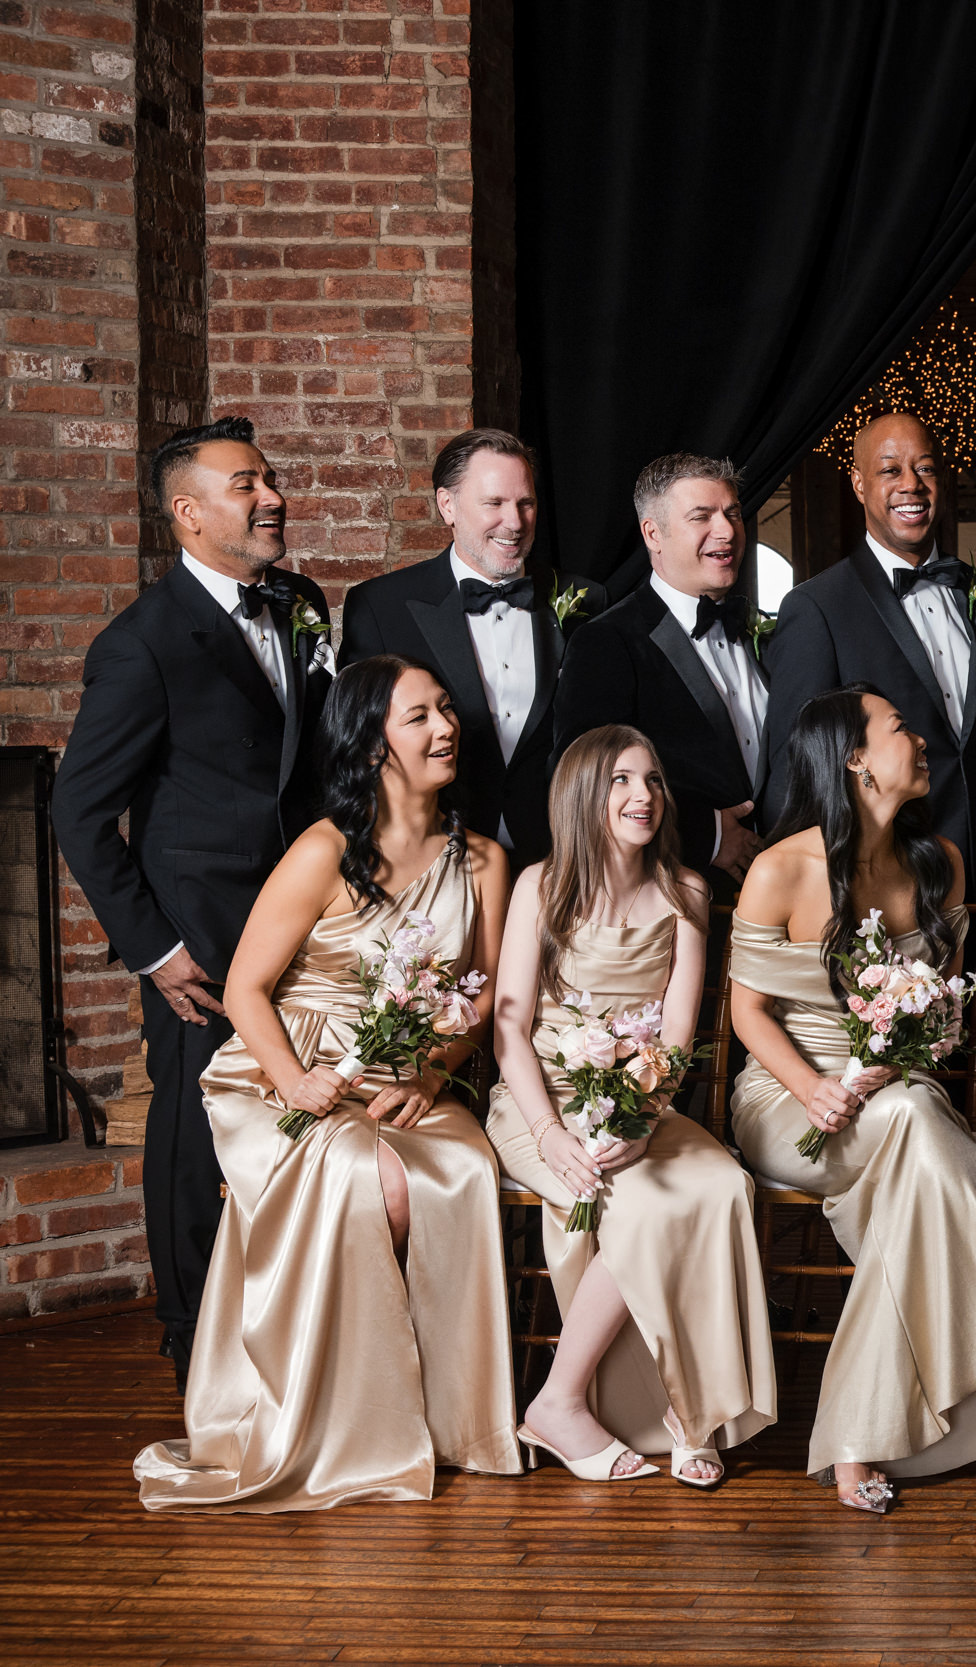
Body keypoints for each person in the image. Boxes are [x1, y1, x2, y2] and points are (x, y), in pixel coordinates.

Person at [730, 686, 976, 1514]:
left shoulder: (938, 863)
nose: (918, 740)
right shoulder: (780, 869)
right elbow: (747, 1012)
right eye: (898, 728)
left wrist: (913, 1049)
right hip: (790, 1098)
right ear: (852, 757)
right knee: (919, 1124)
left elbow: (943, 1013)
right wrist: (814, 1088)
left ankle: (853, 1443)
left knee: (913, 1140)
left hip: (898, 1092)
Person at [134, 655, 519, 1510]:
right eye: (418, 716)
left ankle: (448, 1419)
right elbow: (243, 989)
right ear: (371, 742)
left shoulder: (485, 860)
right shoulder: (324, 849)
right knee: (366, 1177)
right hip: (298, 1068)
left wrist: (431, 1070)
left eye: (446, 710)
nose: (444, 727)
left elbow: (481, 995)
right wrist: (299, 1081)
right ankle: (349, 1422)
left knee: (460, 1173)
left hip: (408, 1076)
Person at [55, 415, 333, 1393]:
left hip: (303, 911)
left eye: (271, 478)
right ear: (190, 512)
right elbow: (80, 813)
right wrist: (155, 948)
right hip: (199, 934)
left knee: (302, 1102)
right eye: (248, 483)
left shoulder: (300, 601)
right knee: (191, 1125)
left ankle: (295, 1315)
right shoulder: (140, 642)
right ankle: (189, 1331)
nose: (273, 496)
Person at [483, 726, 775, 1488]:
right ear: (584, 793)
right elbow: (509, 1028)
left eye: (651, 780)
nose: (643, 796)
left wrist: (641, 1121)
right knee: (646, 1210)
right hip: (537, 1100)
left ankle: (691, 1406)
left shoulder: (686, 892)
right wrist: (547, 1132)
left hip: (640, 1100)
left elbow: (675, 1037)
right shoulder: (539, 887)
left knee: (721, 1185)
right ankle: (565, 1402)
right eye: (620, 780)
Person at [762, 413, 976, 889]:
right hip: (887, 884)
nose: (911, 485)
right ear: (859, 483)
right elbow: (795, 772)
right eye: (890, 470)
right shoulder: (816, 607)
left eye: (925, 469)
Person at [340, 428, 607, 867]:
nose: (516, 523)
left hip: (559, 856)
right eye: (494, 503)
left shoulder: (586, 600)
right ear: (448, 505)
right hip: (434, 857)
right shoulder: (380, 607)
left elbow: (602, 737)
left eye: (526, 503)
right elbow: (360, 749)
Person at [552, 453, 769, 887]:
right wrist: (708, 836)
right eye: (701, 516)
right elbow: (583, 787)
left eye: (732, 513)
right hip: (678, 893)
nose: (726, 530)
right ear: (653, 533)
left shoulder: (764, 631)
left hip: (789, 892)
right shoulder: (607, 642)